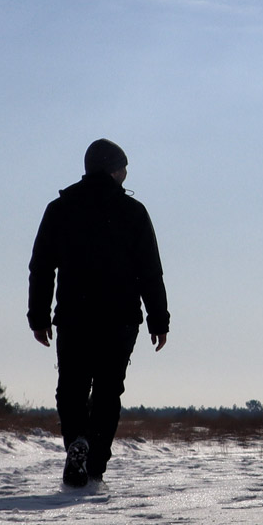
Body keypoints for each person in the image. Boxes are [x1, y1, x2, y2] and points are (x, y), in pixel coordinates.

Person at [28, 139, 169, 490]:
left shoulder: (60, 209)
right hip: (119, 320)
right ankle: (94, 469)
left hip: (74, 317)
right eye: (123, 168)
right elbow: (150, 271)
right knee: (108, 392)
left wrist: (39, 316)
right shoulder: (133, 213)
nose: (125, 174)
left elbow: (41, 269)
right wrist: (158, 320)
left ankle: (78, 441)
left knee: (71, 389)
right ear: (113, 170)